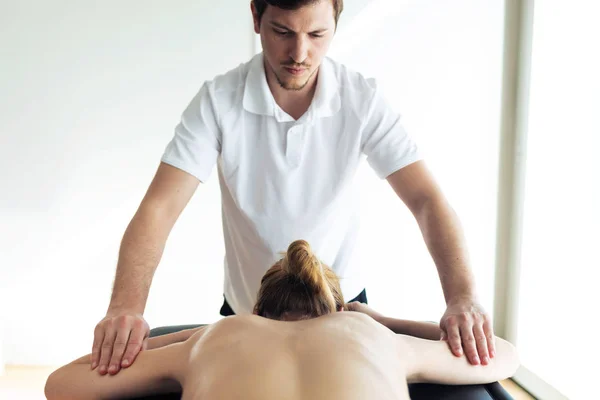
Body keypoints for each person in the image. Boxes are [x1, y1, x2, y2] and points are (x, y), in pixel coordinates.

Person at [92, 0, 496, 377]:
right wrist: (126, 307)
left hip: (341, 310)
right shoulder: (218, 101)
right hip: (251, 312)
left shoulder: (362, 101)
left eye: (317, 35)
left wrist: (462, 296)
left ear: (336, 21)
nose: (299, 53)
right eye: (282, 32)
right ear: (256, 18)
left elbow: (427, 200)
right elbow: (159, 209)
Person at [49, 241, 519, 400]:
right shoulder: (372, 334)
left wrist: (194, 335)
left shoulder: (217, 336)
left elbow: (62, 383)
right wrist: (381, 318)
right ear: (339, 310)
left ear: (257, 311)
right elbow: (501, 355)